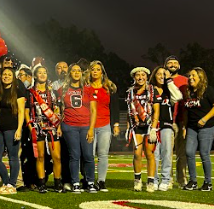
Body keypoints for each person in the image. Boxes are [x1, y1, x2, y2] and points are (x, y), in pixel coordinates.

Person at [182, 67, 214, 192]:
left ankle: (208, 183)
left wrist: (204, 119)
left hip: (207, 126)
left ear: (201, 77)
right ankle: (193, 181)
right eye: (189, 76)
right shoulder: (189, 92)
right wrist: (184, 126)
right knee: (189, 152)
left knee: (204, 153)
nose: (190, 78)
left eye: (194, 75)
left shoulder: (207, 90)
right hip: (192, 127)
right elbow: (186, 112)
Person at [25, 65, 62, 193]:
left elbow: (57, 110)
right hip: (37, 128)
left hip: (52, 127)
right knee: (39, 157)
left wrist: (59, 126)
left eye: (44, 72)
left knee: (56, 157)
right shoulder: (30, 93)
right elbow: (26, 112)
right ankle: (41, 183)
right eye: (39, 73)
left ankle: (58, 183)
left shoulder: (53, 92)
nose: (42, 75)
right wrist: (30, 128)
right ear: (35, 76)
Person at [61, 63, 97, 193]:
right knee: (74, 155)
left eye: (78, 71)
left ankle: (90, 181)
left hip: (85, 126)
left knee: (88, 155)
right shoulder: (63, 89)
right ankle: (75, 182)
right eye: (73, 71)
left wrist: (91, 128)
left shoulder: (88, 89)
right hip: (70, 126)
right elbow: (59, 109)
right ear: (70, 73)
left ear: (82, 73)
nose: (76, 73)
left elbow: (93, 110)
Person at [85, 60, 119, 192]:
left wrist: (115, 124)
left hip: (105, 125)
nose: (95, 71)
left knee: (103, 154)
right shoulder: (86, 87)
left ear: (102, 72)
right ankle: (90, 181)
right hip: (90, 125)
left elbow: (114, 107)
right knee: (89, 155)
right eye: (92, 69)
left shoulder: (109, 87)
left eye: (98, 69)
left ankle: (101, 181)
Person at [125, 67, 160, 192]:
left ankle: (150, 181)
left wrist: (154, 128)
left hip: (150, 126)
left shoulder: (152, 90)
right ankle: (137, 180)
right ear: (134, 78)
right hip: (137, 127)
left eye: (143, 75)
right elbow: (129, 112)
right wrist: (128, 127)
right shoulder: (130, 92)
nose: (140, 77)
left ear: (147, 77)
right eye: (137, 75)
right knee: (137, 154)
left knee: (150, 153)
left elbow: (156, 111)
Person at [0, 68, 26, 195]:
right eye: (4, 74)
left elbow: (21, 111)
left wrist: (19, 129)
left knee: (13, 157)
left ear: (13, 77)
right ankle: (6, 183)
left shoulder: (18, 91)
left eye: (9, 75)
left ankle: (12, 184)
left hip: (12, 128)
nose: (6, 76)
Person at [149, 66, 183, 191]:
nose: (161, 76)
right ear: (154, 75)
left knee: (167, 153)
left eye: (164, 74)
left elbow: (178, 96)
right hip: (153, 126)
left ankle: (166, 179)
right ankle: (155, 179)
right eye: (159, 74)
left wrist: (169, 80)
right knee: (155, 154)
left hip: (167, 125)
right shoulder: (150, 90)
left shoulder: (169, 90)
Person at [165, 55, 189, 188]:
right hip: (167, 120)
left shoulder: (185, 80)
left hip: (181, 120)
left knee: (182, 152)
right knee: (167, 152)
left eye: (175, 62)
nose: (173, 65)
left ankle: (182, 179)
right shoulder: (161, 79)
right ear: (165, 66)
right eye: (170, 63)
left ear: (179, 66)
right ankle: (168, 178)